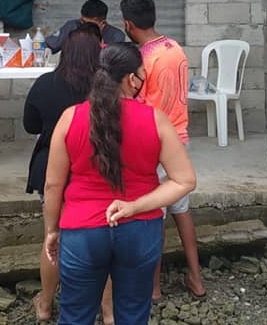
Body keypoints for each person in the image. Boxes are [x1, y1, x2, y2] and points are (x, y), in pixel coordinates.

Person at [43, 43, 196, 325]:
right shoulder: (156, 120)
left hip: (81, 231)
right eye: (142, 74)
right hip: (140, 231)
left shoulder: (70, 118)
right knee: (133, 314)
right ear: (131, 79)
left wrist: (52, 230)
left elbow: (53, 185)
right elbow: (185, 180)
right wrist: (134, 206)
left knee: (75, 316)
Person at [120, 0, 205, 300]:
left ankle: (153, 289)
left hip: (153, 141)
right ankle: (196, 279)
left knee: (154, 214)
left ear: (128, 24)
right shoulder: (175, 48)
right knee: (181, 210)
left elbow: (137, 101)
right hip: (180, 137)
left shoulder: (142, 59)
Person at [23, 23, 103, 322]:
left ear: (64, 52)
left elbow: (30, 125)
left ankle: (45, 304)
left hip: (50, 169)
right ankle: (108, 309)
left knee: (53, 236)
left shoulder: (45, 83)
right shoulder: (105, 87)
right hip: (96, 168)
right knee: (103, 236)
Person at [46, 0, 125, 54]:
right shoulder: (72, 27)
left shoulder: (116, 36)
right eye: (82, 22)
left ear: (103, 23)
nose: (85, 26)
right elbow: (49, 45)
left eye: (90, 24)